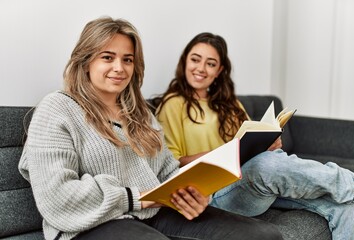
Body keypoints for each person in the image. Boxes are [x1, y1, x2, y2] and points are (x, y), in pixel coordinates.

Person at [18, 18, 283, 240]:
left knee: (262, 235)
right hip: (87, 225)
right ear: (86, 61)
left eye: (128, 59)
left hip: (154, 212)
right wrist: (139, 198)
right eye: (107, 57)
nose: (119, 68)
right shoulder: (57, 109)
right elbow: (57, 198)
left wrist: (193, 193)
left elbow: (167, 170)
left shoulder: (141, 113)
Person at [156, 32, 354, 240]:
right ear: (185, 61)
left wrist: (266, 143)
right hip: (215, 194)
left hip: (251, 182)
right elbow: (174, 163)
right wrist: (225, 152)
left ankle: (352, 191)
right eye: (195, 59)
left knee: (349, 206)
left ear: (219, 70)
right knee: (266, 165)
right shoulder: (173, 104)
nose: (200, 68)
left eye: (210, 63)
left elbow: (247, 139)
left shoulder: (230, 104)